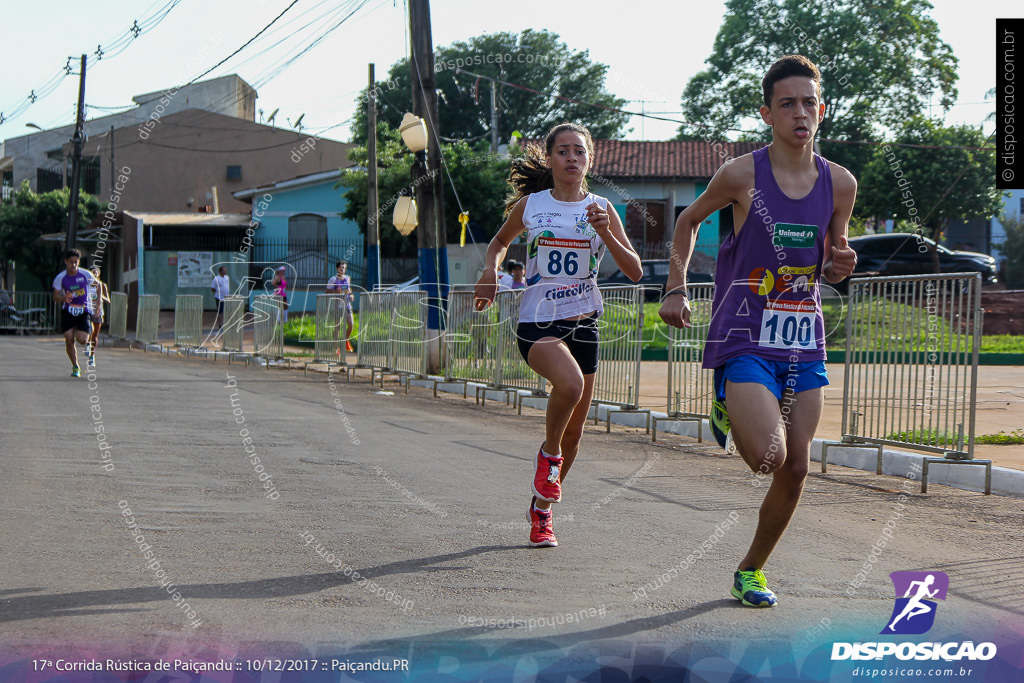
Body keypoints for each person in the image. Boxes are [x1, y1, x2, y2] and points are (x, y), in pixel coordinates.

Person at [659, 55, 858, 607]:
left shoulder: (840, 183)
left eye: (809, 102)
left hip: (803, 338)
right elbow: (686, 220)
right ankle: (726, 397)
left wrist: (841, 262)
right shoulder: (741, 174)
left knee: (796, 467)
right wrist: (675, 288)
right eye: (788, 103)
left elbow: (831, 255)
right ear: (767, 113)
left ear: (822, 110)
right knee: (767, 459)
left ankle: (750, 570)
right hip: (745, 334)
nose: (801, 112)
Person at [474, 122, 642, 548]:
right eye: (563, 151)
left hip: (584, 323)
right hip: (539, 325)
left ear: (590, 160)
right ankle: (547, 460)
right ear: (549, 159)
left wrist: (604, 230)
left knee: (576, 435)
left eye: (579, 152)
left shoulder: (602, 207)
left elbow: (635, 270)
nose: (572, 158)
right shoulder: (531, 206)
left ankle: (541, 512)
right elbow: (498, 243)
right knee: (566, 384)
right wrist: (490, 272)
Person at [52, 249, 98, 377]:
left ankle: (88, 339)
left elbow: (98, 286)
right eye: (71, 262)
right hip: (68, 310)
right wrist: (63, 298)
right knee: (69, 338)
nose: (74, 265)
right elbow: (55, 297)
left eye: (76, 262)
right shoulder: (61, 278)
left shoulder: (86, 274)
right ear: (66, 262)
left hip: (84, 310)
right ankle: (75, 366)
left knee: (82, 340)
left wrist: (98, 303)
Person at [326, 260, 355, 353]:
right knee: (337, 327)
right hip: (336, 305)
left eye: (344, 268)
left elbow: (349, 289)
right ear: (337, 269)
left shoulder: (347, 278)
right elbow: (326, 292)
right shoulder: (332, 279)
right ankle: (335, 346)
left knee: (351, 325)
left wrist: (351, 295)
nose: (342, 270)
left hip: (346, 304)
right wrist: (335, 291)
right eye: (341, 268)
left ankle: (345, 340)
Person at [85, 265, 110, 368]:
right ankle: (87, 344)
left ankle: (92, 356)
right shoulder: (87, 285)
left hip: (98, 312)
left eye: (96, 272)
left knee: (95, 335)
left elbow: (108, 300)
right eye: (92, 272)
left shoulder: (102, 285)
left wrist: (100, 296)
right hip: (88, 311)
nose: (94, 274)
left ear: (99, 274)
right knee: (89, 330)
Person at [211, 265, 230, 332]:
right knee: (220, 311)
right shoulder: (216, 278)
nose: (225, 271)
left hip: (226, 297)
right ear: (221, 271)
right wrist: (218, 292)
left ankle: (225, 324)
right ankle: (220, 325)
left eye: (225, 270)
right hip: (219, 297)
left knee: (225, 310)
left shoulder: (227, 278)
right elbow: (212, 288)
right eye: (224, 270)